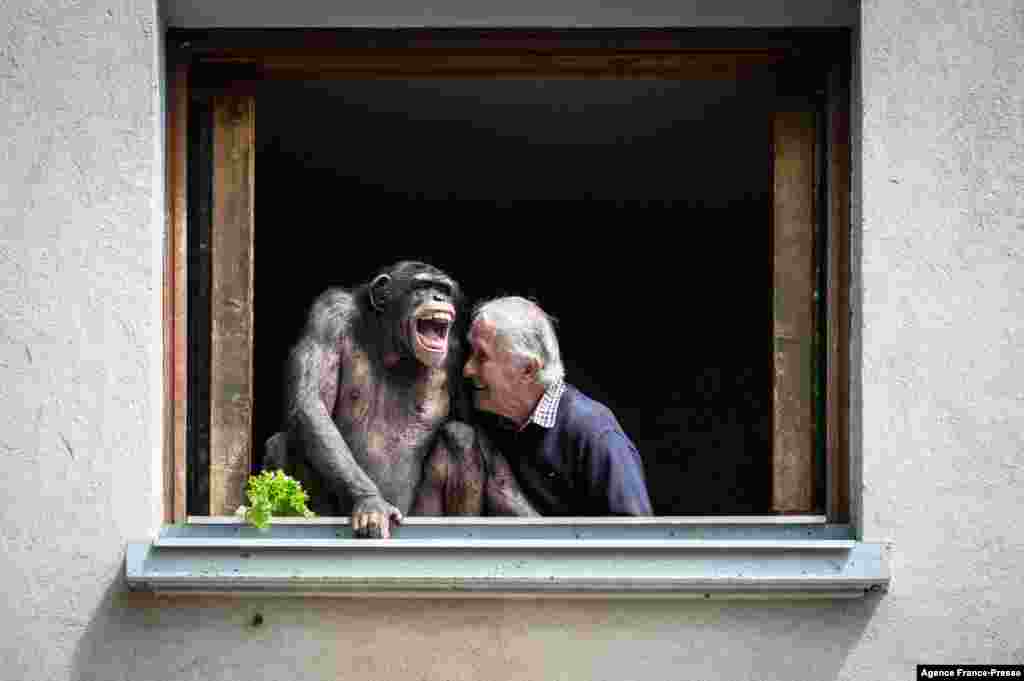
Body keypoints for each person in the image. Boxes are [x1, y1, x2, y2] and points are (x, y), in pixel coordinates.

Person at [462, 296, 653, 516]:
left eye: (482, 356)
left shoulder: (594, 434)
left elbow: (635, 541)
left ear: (528, 370)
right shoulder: (494, 420)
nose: (468, 369)